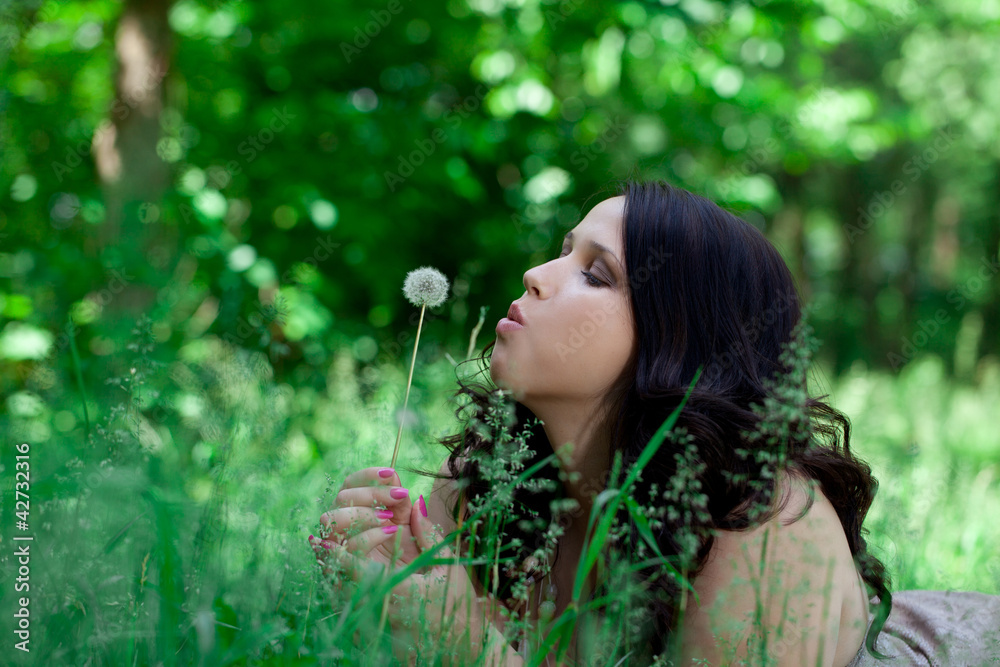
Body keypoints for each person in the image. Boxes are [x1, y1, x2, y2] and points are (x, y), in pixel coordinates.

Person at [311, 180, 1000, 666]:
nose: (536, 275)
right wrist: (366, 580)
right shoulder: (492, 481)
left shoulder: (759, 524)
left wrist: (468, 648)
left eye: (597, 274)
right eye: (563, 250)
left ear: (679, 343)